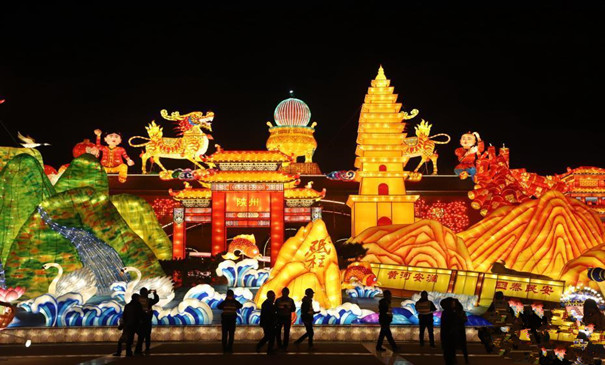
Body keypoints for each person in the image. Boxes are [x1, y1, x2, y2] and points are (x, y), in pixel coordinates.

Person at [135, 287, 159, 355]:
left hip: (139, 321)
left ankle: (138, 349)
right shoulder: (148, 300)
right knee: (147, 335)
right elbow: (156, 300)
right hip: (147, 320)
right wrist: (154, 294)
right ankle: (147, 348)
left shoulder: (138, 300)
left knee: (141, 336)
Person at [454, 299, 469, 364]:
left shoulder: (453, 312)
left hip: (456, 330)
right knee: (463, 347)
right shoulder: (461, 312)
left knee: (454, 347)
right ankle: (466, 360)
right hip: (460, 329)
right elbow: (465, 319)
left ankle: (455, 361)